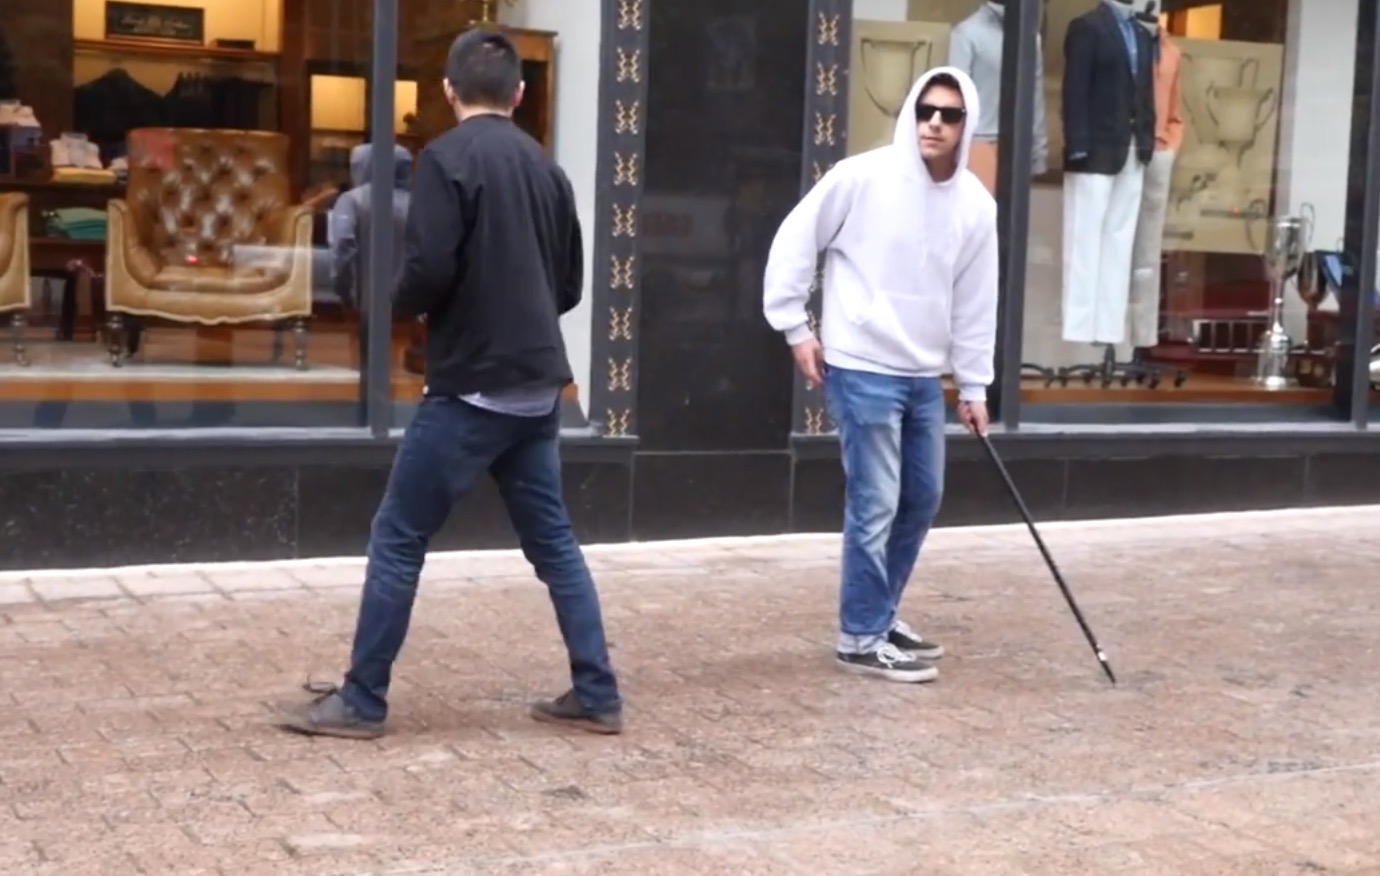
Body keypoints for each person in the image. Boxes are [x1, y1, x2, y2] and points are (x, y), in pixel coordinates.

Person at [275, 29, 623, 739]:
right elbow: (569, 285)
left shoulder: (445, 158)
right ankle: (597, 692)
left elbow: (429, 268)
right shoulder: (547, 168)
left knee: (399, 535)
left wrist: (398, 304)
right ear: (519, 94)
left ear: (447, 91)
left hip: (471, 386)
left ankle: (362, 701)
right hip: (537, 386)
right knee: (554, 543)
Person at [761, 67, 999, 684]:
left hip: (923, 376)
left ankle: (879, 613)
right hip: (862, 367)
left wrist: (973, 384)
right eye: (925, 110)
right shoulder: (861, 177)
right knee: (875, 503)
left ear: (967, 125)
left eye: (949, 115)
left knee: (921, 498)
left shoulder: (976, 206)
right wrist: (795, 326)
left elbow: (975, 302)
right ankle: (860, 635)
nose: (934, 123)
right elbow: (795, 238)